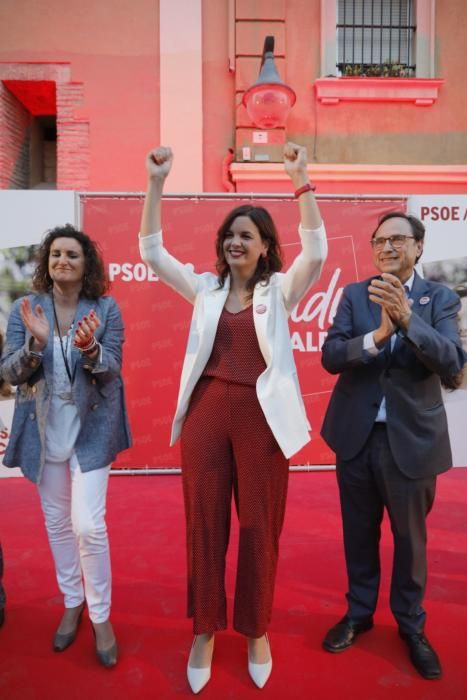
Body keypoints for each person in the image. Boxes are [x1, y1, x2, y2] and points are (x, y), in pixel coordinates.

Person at [139, 143, 327, 692]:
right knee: (205, 524)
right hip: (206, 414)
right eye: (230, 234)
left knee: (258, 527)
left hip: (261, 420)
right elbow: (152, 252)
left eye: (247, 234)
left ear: (266, 246)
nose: (235, 241)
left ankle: (256, 629)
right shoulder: (204, 289)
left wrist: (300, 179)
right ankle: (204, 629)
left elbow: (314, 252)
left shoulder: (280, 290)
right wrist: (156, 183)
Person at [320, 212, 465, 680]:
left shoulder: (439, 296)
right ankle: (359, 613)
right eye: (379, 240)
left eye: (397, 239)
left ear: (418, 247)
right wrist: (377, 336)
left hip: (412, 442)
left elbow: (452, 361)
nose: (386, 247)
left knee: (410, 542)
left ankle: (411, 626)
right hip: (355, 437)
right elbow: (331, 356)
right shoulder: (353, 295)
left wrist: (407, 321)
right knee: (357, 535)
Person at [0, 225, 131, 666]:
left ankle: (100, 615)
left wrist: (90, 347)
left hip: (92, 431)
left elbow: (111, 370)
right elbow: (11, 373)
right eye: (56, 254)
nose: (63, 261)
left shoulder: (106, 308)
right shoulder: (27, 308)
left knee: (88, 526)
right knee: (57, 524)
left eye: (72, 254)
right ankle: (72, 602)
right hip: (43, 433)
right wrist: (36, 344)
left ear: (86, 262)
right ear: (46, 261)